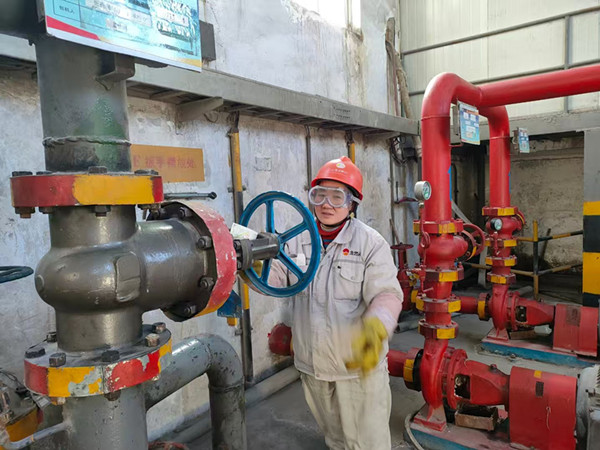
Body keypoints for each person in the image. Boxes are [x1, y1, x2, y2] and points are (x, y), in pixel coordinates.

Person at [269, 156, 403, 450]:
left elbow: (387, 294)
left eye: (337, 196)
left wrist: (376, 330)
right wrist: (249, 260)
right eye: (319, 195)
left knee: (367, 444)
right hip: (312, 366)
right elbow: (274, 279)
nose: (326, 204)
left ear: (352, 203)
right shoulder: (296, 239)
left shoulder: (370, 244)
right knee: (336, 440)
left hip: (356, 369)